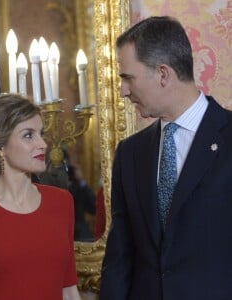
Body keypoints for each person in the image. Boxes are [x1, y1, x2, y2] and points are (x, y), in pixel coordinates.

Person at [99, 16, 232, 300]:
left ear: (162, 74)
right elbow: (120, 257)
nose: (123, 90)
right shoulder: (130, 154)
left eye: (127, 77)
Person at [0, 94, 81, 300]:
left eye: (41, 133)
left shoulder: (62, 202)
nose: (43, 144)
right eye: (29, 135)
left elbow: (69, 291)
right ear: (0, 147)